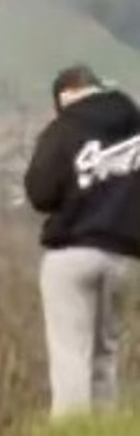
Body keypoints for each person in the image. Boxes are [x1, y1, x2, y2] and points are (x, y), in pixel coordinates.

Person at [24, 65, 140, 418]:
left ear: (64, 97)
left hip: (72, 253)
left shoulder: (62, 130)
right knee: (106, 352)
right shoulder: (134, 123)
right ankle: (102, 433)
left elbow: (40, 193)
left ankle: (70, 433)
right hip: (127, 255)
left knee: (71, 354)